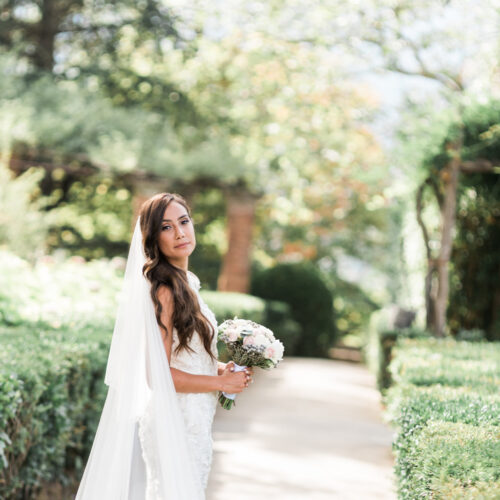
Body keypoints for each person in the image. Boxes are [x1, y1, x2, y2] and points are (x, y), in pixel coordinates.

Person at [75, 192, 253, 500]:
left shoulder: (187, 284)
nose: (180, 232)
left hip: (194, 418)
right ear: (153, 239)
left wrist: (223, 369)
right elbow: (157, 375)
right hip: (175, 421)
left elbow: (185, 358)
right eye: (167, 227)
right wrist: (220, 382)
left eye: (184, 222)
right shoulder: (164, 292)